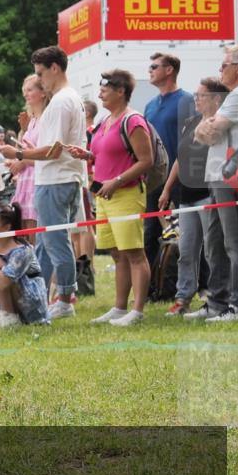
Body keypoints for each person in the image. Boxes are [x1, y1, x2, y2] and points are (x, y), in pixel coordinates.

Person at [0, 46, 87, 319]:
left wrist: (19, 153)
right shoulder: (66, 99)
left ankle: (65, 299)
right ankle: (39, 297)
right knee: (46, 246)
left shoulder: (62, 101)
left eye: (40, 74)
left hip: (56, 179)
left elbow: (53, 149)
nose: (40, 80)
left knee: (55, 242)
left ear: (55, 68)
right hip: (58, 178)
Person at [67, 70, 153, 326]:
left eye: (106, 88)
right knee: (117, 254)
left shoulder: (134, 121)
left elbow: (146, 161)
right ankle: (119, 308)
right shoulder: (106, 120)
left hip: (125, 194)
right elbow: (101, 154)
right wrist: (85, 154)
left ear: (121, 92)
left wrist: (117, 181)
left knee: (134, 253)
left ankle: (136, 311)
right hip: (103, 196)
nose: (100, 92)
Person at [160, 78, 230, 317]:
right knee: (186, 249)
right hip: (186, 197)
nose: (196, 100)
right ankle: (183, 298)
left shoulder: (221, 124)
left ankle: (215, 299)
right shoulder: (189, 123)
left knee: (213, 251)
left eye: (201, 95)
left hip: (208, 195)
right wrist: (167, 188)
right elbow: (180, 158)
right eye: (196, 95)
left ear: (216, 99)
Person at [194, 43, 238, 321]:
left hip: (230, 178)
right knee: (215, 242)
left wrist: (207, 124)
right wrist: (206, 125)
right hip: (218, 176)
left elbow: (210, 132)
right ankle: (217, 302)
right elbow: (205, 130)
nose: (220, 70)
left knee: (234, 243)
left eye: (224, 65)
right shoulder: (234, 95)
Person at [145, 53, 194, 270]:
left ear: (169, 70)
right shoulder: (149, 105)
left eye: (154, 66)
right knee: (150, 232)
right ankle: (151, 287)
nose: (150, 70)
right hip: (154, 179)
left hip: (182, 177)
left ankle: (201, 284)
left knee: (190, 232)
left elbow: (191, 142)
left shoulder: (187, 100)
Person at [9, 75, 48, 236]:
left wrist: (21, 160)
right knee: (24, 228)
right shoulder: (32, 120)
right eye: (24, 90)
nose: (25, 94)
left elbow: (45, 154)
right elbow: (24, 148)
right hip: (25, 180)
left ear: (43, 92)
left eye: (30, 90)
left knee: (34, 230)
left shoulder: (46, 119)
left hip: (36, 179)